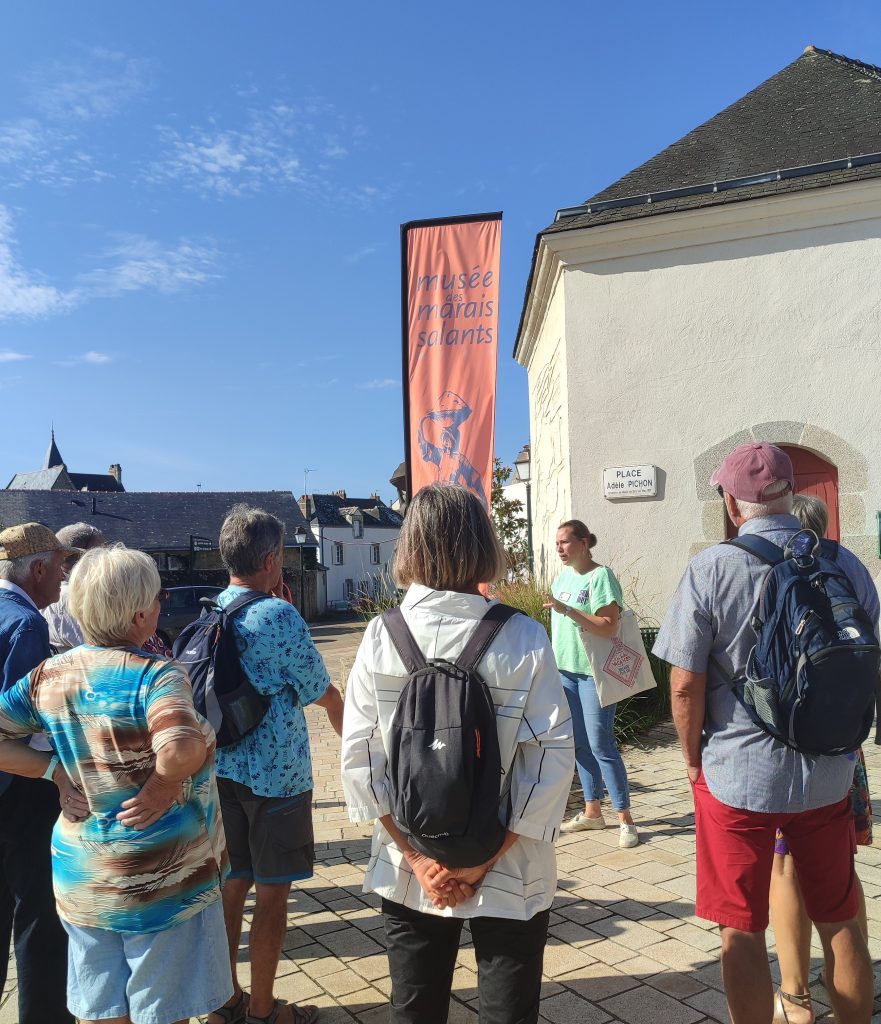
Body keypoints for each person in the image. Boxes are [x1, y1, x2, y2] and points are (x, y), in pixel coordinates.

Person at [654, 443, 878, 1024]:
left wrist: (692, 763)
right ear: (790, 492)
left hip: (737, 777)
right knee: (840, 915)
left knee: (741, 931)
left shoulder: (710, 568)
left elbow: (684, 685)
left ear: (732, 503)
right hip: (828, 772)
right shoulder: (845, 563)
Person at [341, 483, 574, 1024]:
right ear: (482, 545)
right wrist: (484, 859)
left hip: (410, 860)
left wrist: (421, 860)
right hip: (510, 861)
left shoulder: (382, 635)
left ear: (410, 547)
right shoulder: (522, 636)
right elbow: (551, 759)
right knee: (508, 1010)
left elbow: (359, 759)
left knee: (414, 1006)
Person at [0, 541, 232, 1024]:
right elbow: (182, 749)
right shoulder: (157, 676)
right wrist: (160, 788)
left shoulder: (48, 676)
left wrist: (54, 771)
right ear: (141, 614)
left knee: (104, 1009)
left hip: (82, 874)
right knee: (162, 1011)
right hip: (160, 876)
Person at [208, 505, 344, 1024]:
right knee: (272, 893)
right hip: (278, 779)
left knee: (231, 883)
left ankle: (225, 1002)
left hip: (222, 773)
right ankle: (265, 1013)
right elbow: (319, 691)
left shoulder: (211, 611)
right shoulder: (277, 614)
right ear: (270, 559)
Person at [769, 493, 872, 1024]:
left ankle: (795, 996)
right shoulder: (846, 566)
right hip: (842, 746)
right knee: (841, 873)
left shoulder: (759, 566)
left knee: (785, 865)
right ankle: (857, 989)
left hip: (782, 745)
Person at [0, 522, 80, 1024]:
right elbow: (19, 724)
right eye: (59, 564)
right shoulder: (27, 625)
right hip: (20, 790)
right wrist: (56, 770)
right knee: (38, 915)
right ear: (37, 568)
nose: (64, 575)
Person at [544, 520, 639, 848]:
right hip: (565, 672)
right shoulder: (563, 577)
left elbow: (608, 627)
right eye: (557, 543)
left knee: (601, 744)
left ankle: (625, 818)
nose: (559, 548)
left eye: (565, 542)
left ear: (584, 543)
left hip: (593, 674)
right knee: (580, 744)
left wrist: (567, 609)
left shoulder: (601, 577)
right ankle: (592, 812)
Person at [42, 522, 107, 652]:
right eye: (104, 550)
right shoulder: (69, 597)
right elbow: (99, 652)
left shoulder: (58, 590)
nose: (109, 558)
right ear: (84, 556)